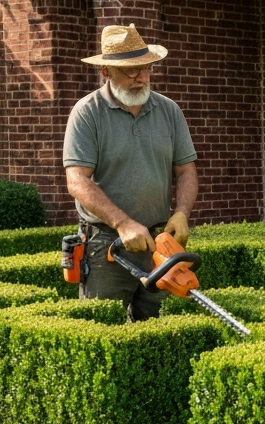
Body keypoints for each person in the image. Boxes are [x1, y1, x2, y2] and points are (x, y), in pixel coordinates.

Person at [63, 23, 198, 321]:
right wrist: (123, 223)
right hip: (106, 247)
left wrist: (182, 213)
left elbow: (186, 170)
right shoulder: (87, 113)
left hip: (159, 242)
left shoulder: (169, 111)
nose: (141, 78)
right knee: (102, 333)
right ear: (106, 72)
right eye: (131, 71)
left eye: (146, 68)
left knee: (158, 335)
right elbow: (77, 180)